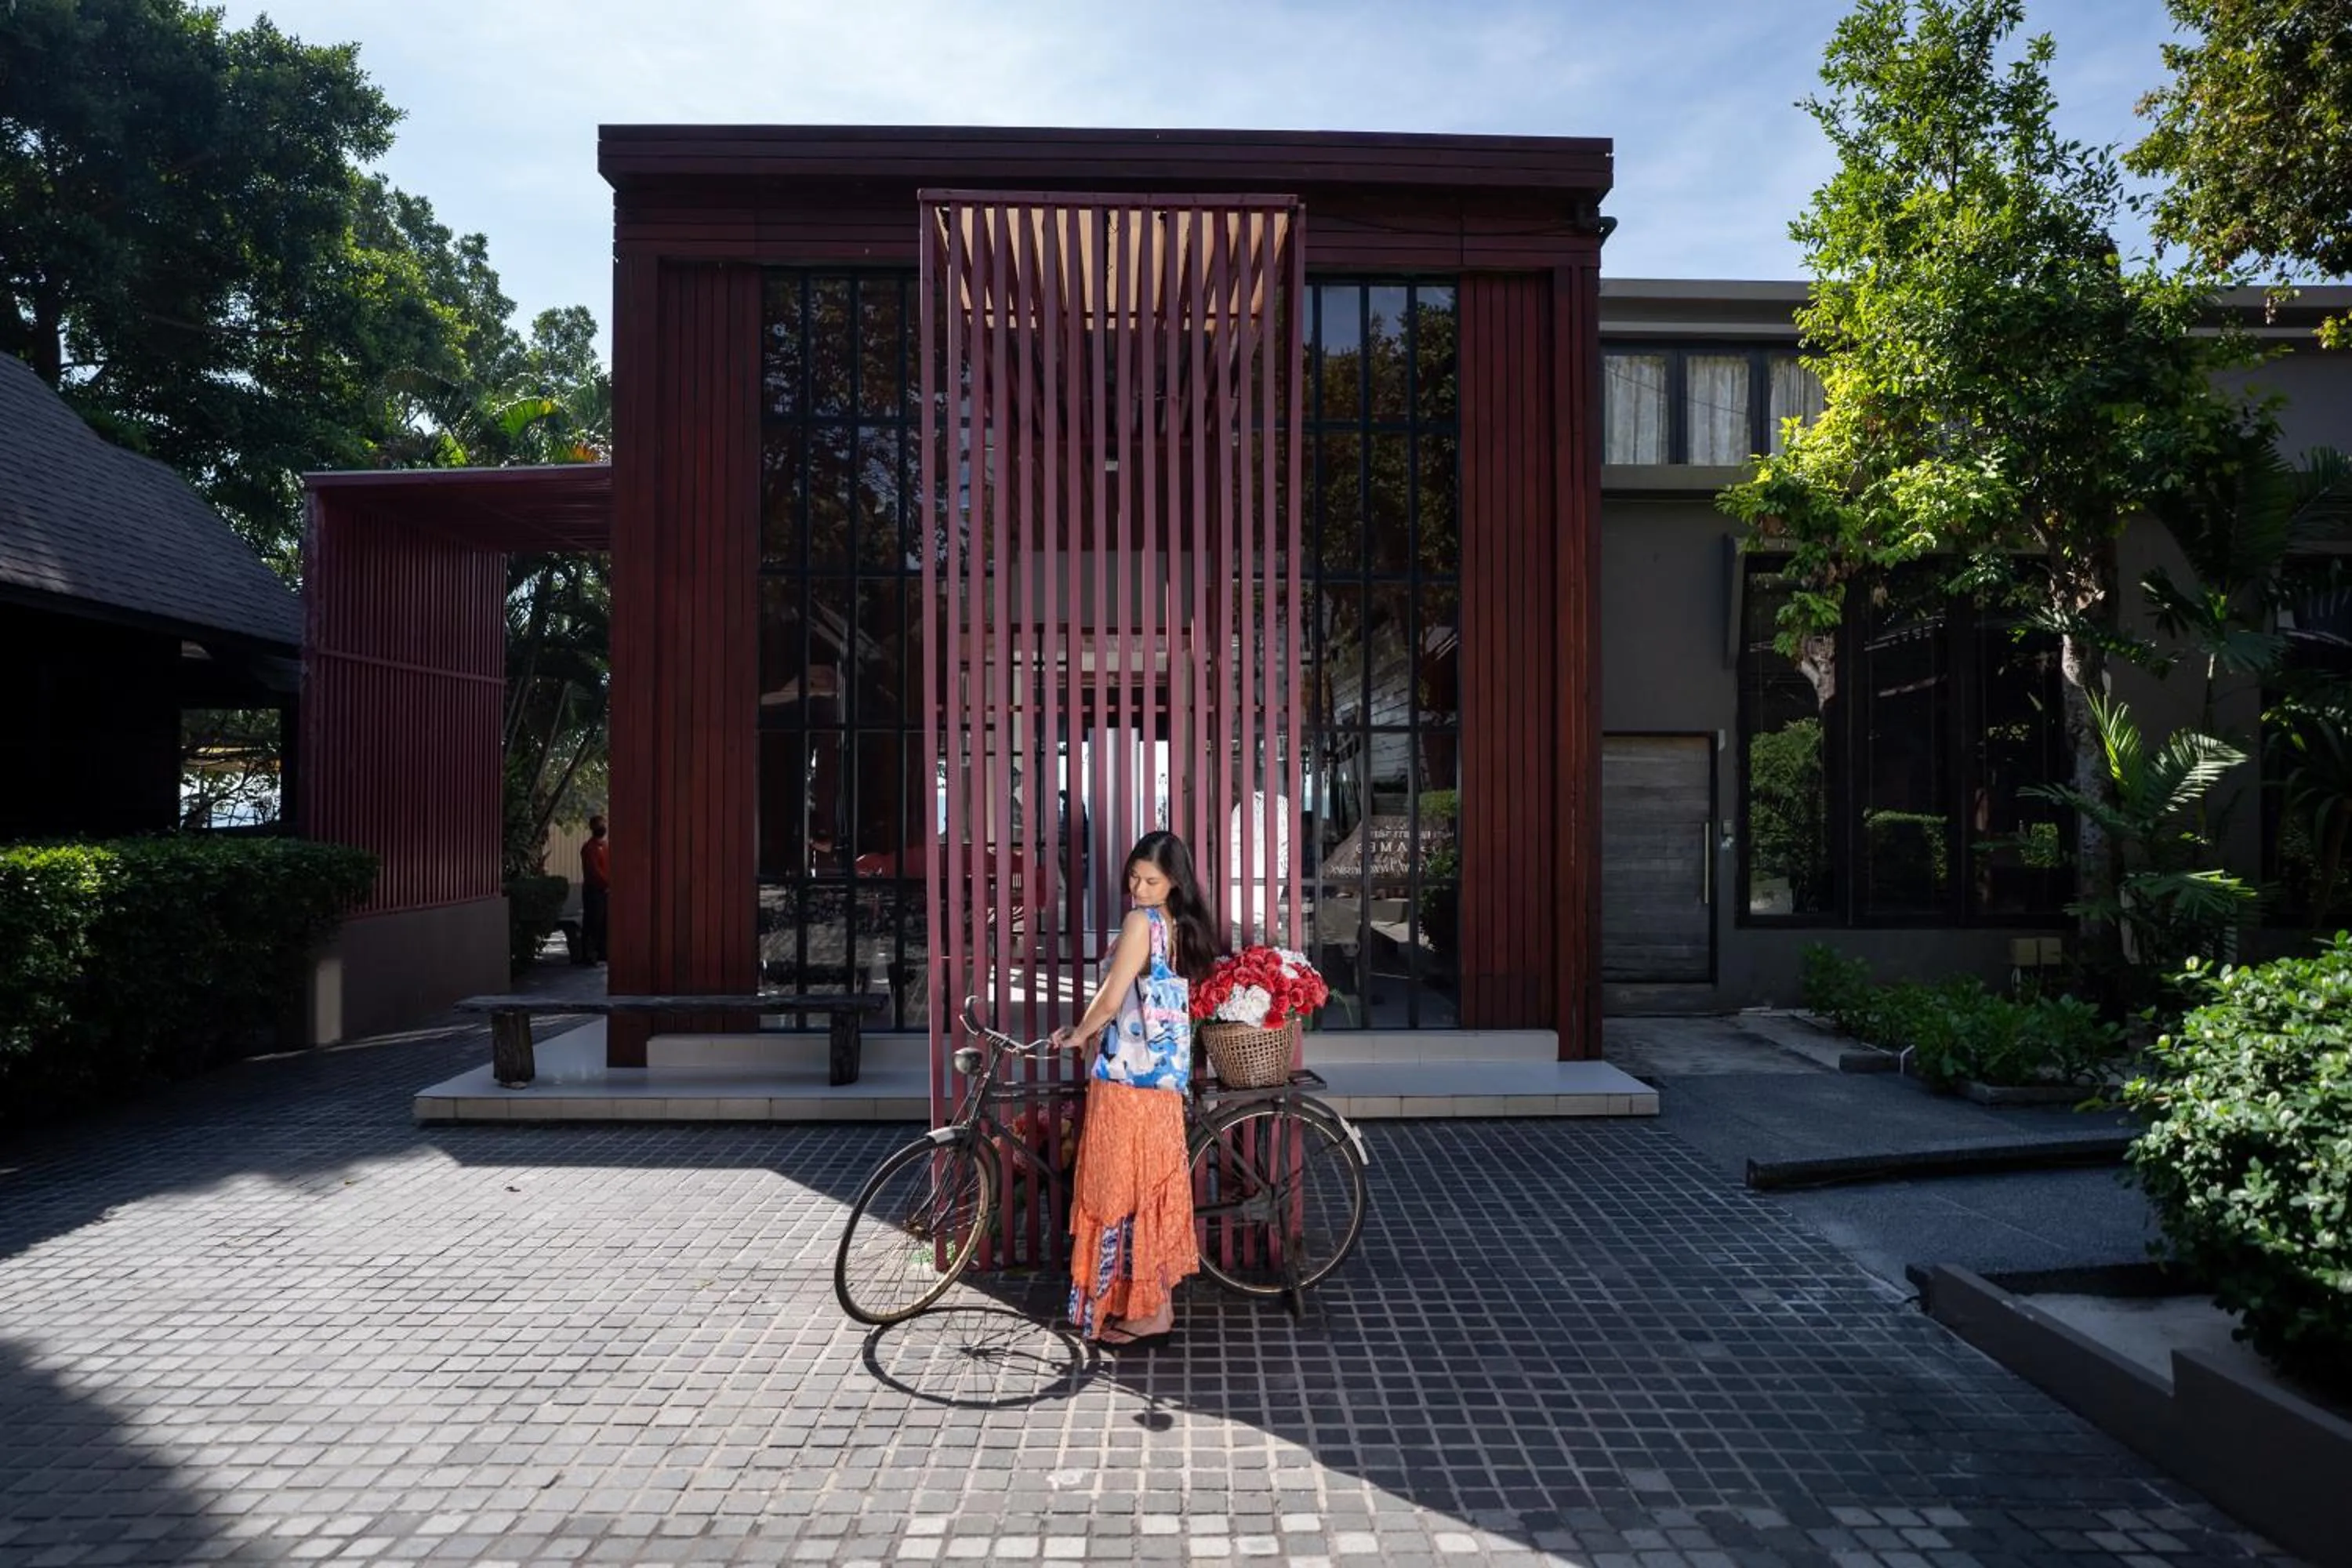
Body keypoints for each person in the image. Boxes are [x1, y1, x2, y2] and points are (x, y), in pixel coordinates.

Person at [1050, 830, 1218, 1348]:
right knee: (1149, 1193)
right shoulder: (1173, 925)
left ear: (1174, 883)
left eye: (1151, 880)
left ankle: (1144, 1312)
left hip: (1126, 1085)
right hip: (1161, 1086)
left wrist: (1079, 1032)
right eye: (1135, 877)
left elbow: (1110, 996)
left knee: (1115, 1190)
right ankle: (1154, 1310)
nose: (1139, 888)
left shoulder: (1140, 922)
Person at [579, 815, 611, 967]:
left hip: (606, 891)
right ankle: (588, 954)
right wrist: (608, 883)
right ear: (593, 827)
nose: (603, 827)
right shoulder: (589, 848)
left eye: (603, 824)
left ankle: (603, 953)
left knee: (605, 922)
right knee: (593, 922)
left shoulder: (606, 846)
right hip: (594, 891)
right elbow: (594, 871)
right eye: (600, 824)